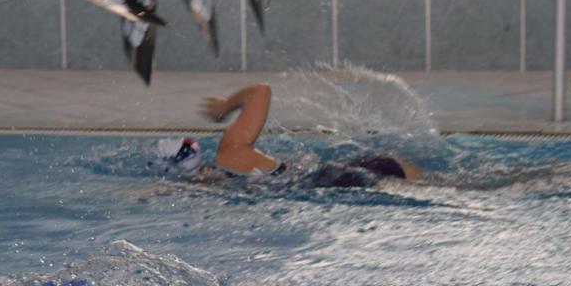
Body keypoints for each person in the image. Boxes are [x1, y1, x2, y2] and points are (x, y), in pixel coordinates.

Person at [155, 82, 425, 188]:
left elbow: (262, 90)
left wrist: (225, 107)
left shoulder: (230, 154)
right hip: (360, 169)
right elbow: (259, 91)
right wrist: (225, 107)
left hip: (355, 179)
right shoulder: (231, 153)